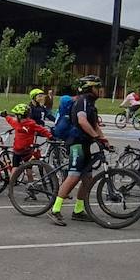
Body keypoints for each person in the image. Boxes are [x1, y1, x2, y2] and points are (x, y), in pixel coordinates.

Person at [48, 76, 109, 226]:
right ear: (89, 89)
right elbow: (82, 121)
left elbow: (95, 125)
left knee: (87, 179)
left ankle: (78, 210)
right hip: (76, 143)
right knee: (74, 176)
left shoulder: (91, 105)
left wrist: (104, 140)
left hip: (85, 143)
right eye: (96, 88)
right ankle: (55, 210)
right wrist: (96, 137)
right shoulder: (82, 101)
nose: (99, 91)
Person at [2, 103, 52, 169]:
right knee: (28, 169)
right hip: (27, 150)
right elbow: (42, 130)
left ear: (19, 116)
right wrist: (50, 136)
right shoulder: (32, 124)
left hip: (17, 150)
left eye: (16, 115)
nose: (15, 117)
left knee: (15, 168)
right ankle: (30, 179)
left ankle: (12, 179)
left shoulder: (16, 124)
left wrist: (6, 116)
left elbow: (10, 120)